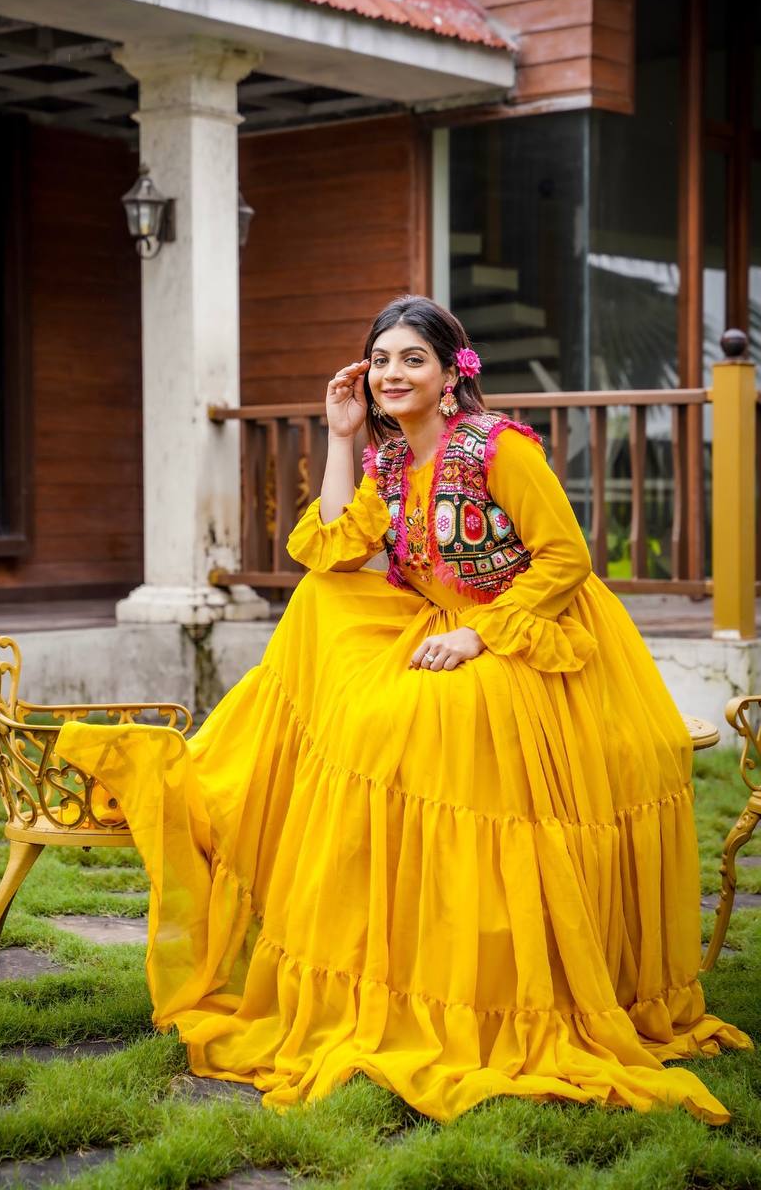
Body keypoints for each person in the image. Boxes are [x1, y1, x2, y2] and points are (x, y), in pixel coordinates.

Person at [57, 295, 749, 1124]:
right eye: (379, 358)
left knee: (428, 733)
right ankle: (224, 786)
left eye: (410, 359)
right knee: (323, 604)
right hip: (443, 624)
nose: (390, 373)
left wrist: (479, 638)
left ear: (452, 373)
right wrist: (342, 435)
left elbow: (566, 556)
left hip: (530, 633)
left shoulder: (496, 448)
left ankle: (486, 970)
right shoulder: (388, 463)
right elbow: (331, 546)